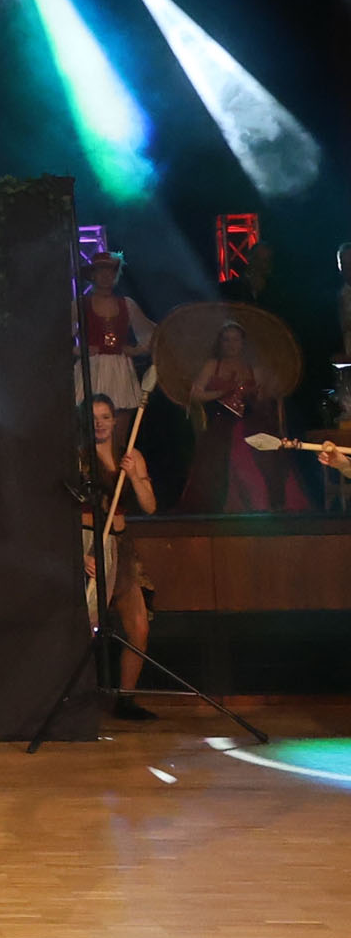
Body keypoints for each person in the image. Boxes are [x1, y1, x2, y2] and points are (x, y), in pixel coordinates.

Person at [81, 395, 158, 722]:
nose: (99, 423)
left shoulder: (131, 456)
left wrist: (134, 476)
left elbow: (149, 506)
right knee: (88, 626)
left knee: (139, 626)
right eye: (93, 418)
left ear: (115, 421)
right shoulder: (79, 458)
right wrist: (79, 555)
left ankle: (126, 699)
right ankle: (77, 701)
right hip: (90, 542)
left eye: (105, 417)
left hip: (121, 546)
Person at [179, 320, 309, 513]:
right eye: (227, 340)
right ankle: (234, 503)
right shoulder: (213, 365)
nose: (231, 344)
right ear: (220, 342)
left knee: (263, 445)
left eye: (235, 340)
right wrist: (222, 392)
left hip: (252, 419)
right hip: (222, 420)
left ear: (242, 343)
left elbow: (265, 396)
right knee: (231, 446)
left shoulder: (252, 367)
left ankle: (263, 502)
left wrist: (255, 393)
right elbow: (195, 395)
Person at [74, 251, 154, 408]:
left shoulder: (127, 304)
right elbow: (59, 339)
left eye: (109, 271)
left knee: (121, 410)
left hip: (120, 369)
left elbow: (149, 334)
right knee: (91, 411)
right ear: (93, 275)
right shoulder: (81, 305)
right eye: (100, 270)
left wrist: (135, 350)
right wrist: (80, 350)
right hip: (92, 368)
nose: (105, 275)